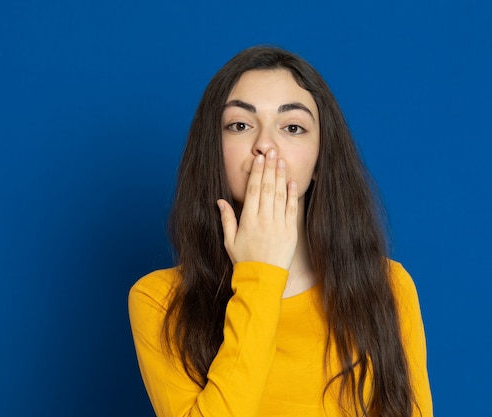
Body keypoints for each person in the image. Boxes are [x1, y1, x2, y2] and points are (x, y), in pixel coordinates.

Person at [128, 46, 432, 417]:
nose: (265, 146)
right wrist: (260, 276)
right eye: (240, 125)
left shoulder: (388, 288)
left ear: (320, 160)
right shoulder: (159, 300)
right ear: (213, 152)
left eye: (292, 128)